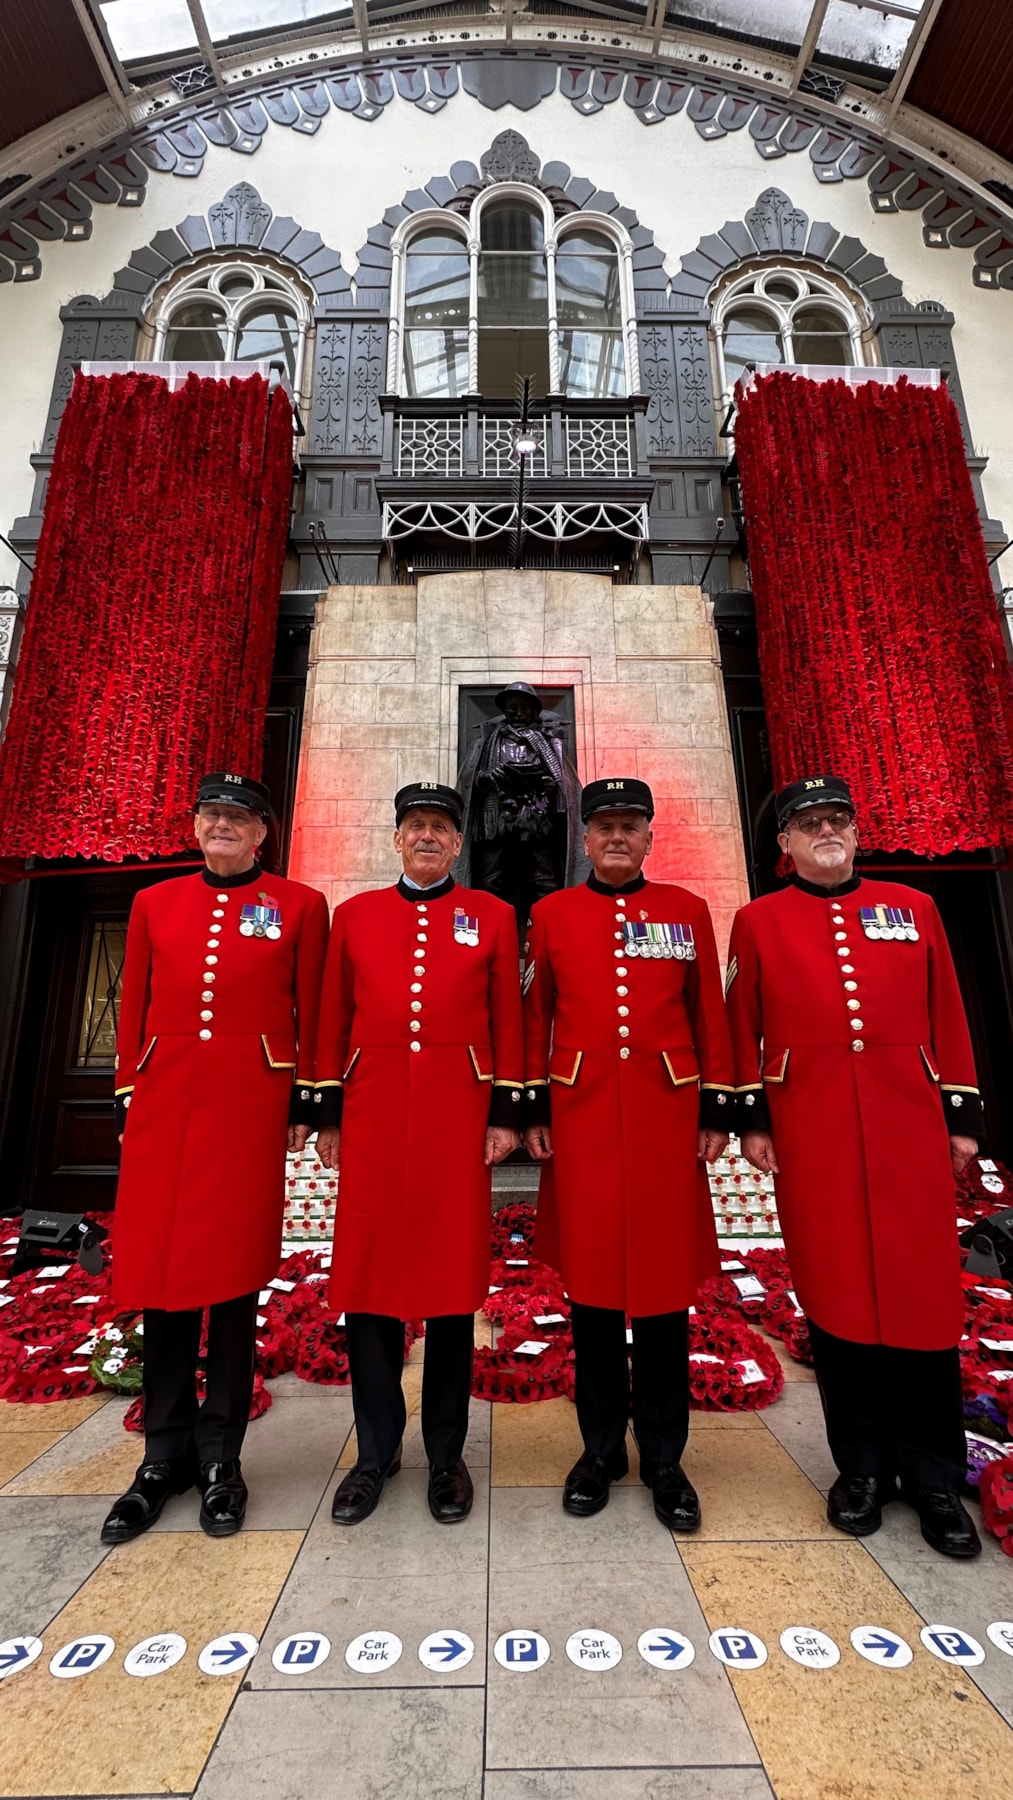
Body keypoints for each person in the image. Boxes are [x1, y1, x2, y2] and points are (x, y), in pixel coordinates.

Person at [727, 774, 982, 1557]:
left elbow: (946, 1008)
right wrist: (752, 1121)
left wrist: (960, 1114)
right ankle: (861, 1469)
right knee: (835, 1296)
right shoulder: (756, 921)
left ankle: (934, 1476)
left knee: (921, 1295)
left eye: (837, 819)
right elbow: (744, 1026)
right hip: (814, 1126)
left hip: (906, 1123)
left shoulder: (914, 908)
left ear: (854, 833)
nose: (826, 831)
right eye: (810, 824)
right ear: (785, 847)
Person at [101, 772, 329, 1544]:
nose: (224, 825)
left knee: (232, 1287)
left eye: (239, 816)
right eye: (213, 814)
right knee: (163, 1284)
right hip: (167, 1107)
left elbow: (312, 1006)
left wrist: (305, 1102)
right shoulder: (153, 902)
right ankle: (160, 1461)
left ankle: (221, 1460)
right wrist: (131, 1090)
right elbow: (135, 998)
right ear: (196, 826)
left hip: (248, 1107)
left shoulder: (300, 906)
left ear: (263, 833)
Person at [523, 777, 735, 1529]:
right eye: (604, 826)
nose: (616, 837)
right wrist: (530, 1109)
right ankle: (599, 1448)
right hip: (579, 1116)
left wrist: (717, 1105)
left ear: (650, 838)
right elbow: (533, 1014)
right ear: (584, 840)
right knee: (590, 1295)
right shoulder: (550, 916)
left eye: (629, 826)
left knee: (662, 1295)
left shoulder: (684, 910)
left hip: (665, 1115)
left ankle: (666, 1457)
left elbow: (705, 1010)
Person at [315, 781, 523, 1526]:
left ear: (458, 843)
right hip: (370, 1115)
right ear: (396, 839)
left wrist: (503, 1113)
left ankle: (444, 1455)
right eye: (415, 826)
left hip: (454, 1120)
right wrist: (327, 1114)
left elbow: (508, 1021)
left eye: (441, 827)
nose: (428, 837)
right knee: (367, 1288)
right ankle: (373, 1453)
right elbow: (331, 1016)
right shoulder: (356, 916)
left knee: (447, 1289)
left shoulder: (491, 917)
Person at [455, 682, 584, 937]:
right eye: (511, 707)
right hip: (496, 822)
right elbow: (470, 780)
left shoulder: (548, 745)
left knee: (543, 881)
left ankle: (548, 935)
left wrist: (548, 785)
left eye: (523, 707)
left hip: (537, 822)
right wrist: (487, 777)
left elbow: (564, 784)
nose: (516, 712)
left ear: (532, 712)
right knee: (490, 880)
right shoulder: (486, 743)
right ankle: (487, 935)